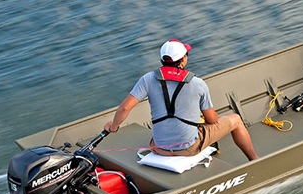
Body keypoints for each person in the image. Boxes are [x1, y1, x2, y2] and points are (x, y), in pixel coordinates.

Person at [104, 39, 258, 161]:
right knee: (235, 120)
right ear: (183, 59)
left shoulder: (147, 79)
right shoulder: (198, 83)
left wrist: (114, 126)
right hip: (188, 148)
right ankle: (255, 160)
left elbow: (124, 108)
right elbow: (212, 120)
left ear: (162, 60)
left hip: (158, 148)